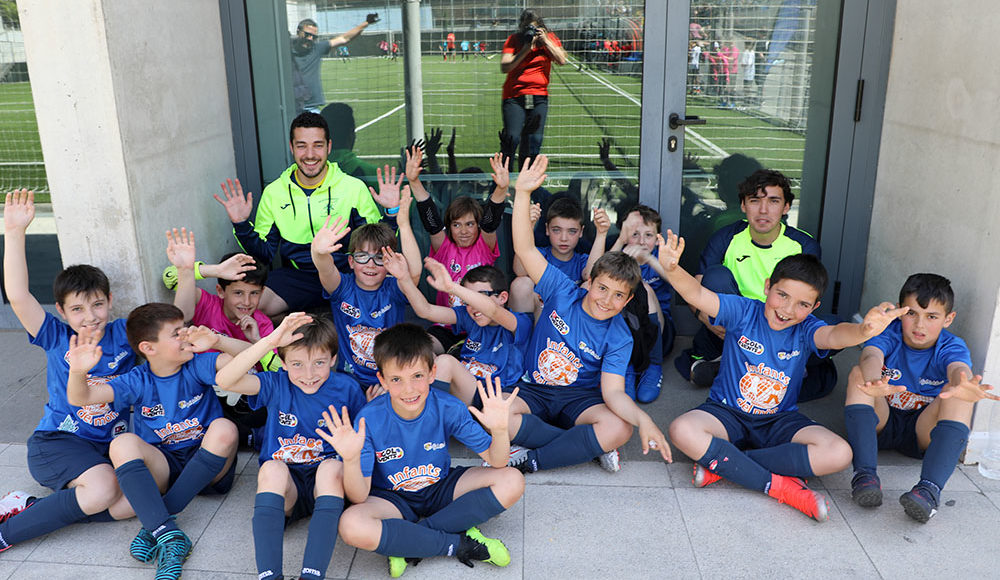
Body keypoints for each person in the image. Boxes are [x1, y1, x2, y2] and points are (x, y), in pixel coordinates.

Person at [660, 233, 906, 521]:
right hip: (725, 413)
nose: (788, 309)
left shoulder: (806, 328)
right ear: (768, 287)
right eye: (782, 295)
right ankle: (780, 487)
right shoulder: (744, 311)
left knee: (839, 453)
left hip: (778, 421)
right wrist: (673, 269)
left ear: (814, 308)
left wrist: (864, 331)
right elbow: (698, 295)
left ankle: (727, 466)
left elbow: (834, 335)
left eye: (802, 304)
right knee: (681, 430)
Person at [499, 155, 671, 474]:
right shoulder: (561, 290)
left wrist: (644, 419)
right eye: (602, 288)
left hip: (580, 399)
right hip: (536, 389)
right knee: (495, 415)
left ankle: (534, 460)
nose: (606, 300)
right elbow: (524, 249)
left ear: (628, 300)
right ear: (588, 282)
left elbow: (614, 393)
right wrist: (521, 194)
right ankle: (581, 446)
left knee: (620, 428)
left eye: (618, 295)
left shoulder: (620, 335)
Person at [320, 324, 525, 577]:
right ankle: (456, 543)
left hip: (439, 486)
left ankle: (409, 542)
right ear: (382, 380)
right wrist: (351, 459)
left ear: (432, 373)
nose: (408, 389)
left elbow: (498, 460)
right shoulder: (368, 419)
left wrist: (500, 430)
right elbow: (359, 496)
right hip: (392, 497)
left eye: (417, 376)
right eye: (396, 379)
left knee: (512, 480)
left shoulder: (448, 407)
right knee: (351, 525)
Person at [0, 189, 139, 553]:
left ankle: (31, 506)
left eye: (97, 305)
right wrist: (14, 233)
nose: (90, 316)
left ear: (110, 301)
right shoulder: (55, 335)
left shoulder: (125, 333)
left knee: (130, 504)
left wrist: (188, 272)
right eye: (77, 309)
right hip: (59, 442)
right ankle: (8, 531)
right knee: (104, 489)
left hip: (107, 446)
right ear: (62, 311)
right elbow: (18, 296)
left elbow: (171, 326)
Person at [65, 303, 244, 579]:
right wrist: (77, 372)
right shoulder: (138, 379)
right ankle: (170, 536)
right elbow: (82, 398)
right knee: (121, 443)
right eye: (176, 333)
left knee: (224, 428)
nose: (186, 336)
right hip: (165, 465)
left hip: (209, 464)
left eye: (184, 329)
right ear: (149, 348)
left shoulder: (198, 364)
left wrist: (217, 341)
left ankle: (156, 524)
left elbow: (249, 360)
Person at [214, 313, 367, 579]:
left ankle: (312, 575)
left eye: (319, 363)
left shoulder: (347, 388)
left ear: (333, 359)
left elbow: (361, 443)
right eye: (297, 364)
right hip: (287, 490)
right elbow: (225, 380)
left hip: (327, 487)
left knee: (331, 467)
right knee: (271, 468)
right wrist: (270, 341)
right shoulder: (276, 383)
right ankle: (270, 575)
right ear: (283, 363)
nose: (309, 374)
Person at [214, 112, 402, 315]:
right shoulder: (274, 193)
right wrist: (241, 224)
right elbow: (264, 254)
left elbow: (378, 244)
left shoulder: (353, 188)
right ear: (291, 147)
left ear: (329, 147)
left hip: (344, 274)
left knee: (379, 307)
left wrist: (391, 213)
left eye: (318, 145)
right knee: (251, 307)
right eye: (302, 145)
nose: (310, 154)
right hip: (297, 276)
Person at [844, 273, 997, 522]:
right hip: (881, 422)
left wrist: (964, 382)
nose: (919, 325)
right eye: (912, 314)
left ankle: (929, 490)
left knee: (959, 393)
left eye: (931, 317)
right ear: (899, 312)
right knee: (857, 374)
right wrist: (873, 382)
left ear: (948, 319)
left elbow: (958, 368)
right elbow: (871, 355)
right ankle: (864, 476)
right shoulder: (889, 333)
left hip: (922, 431)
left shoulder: (951, 345)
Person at [676, 169, 831, 401]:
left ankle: (729, 366)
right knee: (715, 276)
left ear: (786, 207)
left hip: (780, 327)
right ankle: (764, 369)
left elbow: (804, 299)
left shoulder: (803, 246)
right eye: (755, 200)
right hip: (736, 326)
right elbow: (697, 288)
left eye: (774, 201)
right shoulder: (725, 237)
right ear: (743, 205)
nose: (763, 210)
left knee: (832, 326)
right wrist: (707, 322)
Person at [162, 228, 275, 447]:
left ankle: (245, 435)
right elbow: (170, 280)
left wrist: (257, 341)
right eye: (238, 293)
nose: (246, 302)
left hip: (239, 396)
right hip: (202, 387)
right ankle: (246, 436)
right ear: (221, 291)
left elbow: (275, 370)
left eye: (254, 293)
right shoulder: (206, 302)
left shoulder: (262, 324)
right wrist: (213, 270)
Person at [387, 251, 533, 405]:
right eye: (468, 300)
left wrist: (452, 287)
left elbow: (493, 310)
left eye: (480, 297)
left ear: (502, 297)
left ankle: (429, 415)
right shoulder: (470, 317)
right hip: (463, 384)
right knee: (419, 351)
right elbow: (426, 311)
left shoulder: (519, 322)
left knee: (446, 362)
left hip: (490, 394)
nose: (474, 306)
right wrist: (404, 279)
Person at [310, 190, 422, 389]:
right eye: (362, 256)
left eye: (379, 258)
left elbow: (414, 273)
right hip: (349, 380)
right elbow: (325, 268)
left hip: (390, 379)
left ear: (389, 263)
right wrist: (318, 252)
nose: (370, 264)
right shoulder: (342, 287)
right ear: (351, 261)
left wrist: (403, 225)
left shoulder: (394, 287)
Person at [405, 146, 508, 352]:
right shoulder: (444, 247)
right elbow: (431, 221)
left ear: (477, 226)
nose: (464, 231)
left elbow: (490, 221)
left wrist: (501, 189)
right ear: (449, 227)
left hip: (483, 322)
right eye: (456, 225)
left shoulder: (484, 245)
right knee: (424, 352)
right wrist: (414, 181)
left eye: (470, 224)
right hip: (448, 323)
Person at [608, 205, 676, 403]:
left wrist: (650, 260)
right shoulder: (619, 256)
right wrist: (622, 258)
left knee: (643, 289)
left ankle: (653, 366)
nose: (641, 241)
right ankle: (627, 367)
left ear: (657, 239)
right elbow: (597, 277)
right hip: (625, 336)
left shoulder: (661, 257)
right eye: (635, 234)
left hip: (658, 334)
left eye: (648, 235)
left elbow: (679, 285)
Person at [501, 9, 568, 160]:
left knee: (534, 141)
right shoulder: (514, 39)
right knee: (512, 139)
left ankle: (527, 174)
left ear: (540, 26)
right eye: (526, 27)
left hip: (539, 96)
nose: (529, 31)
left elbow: (562, 60)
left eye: (533, 27)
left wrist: (546, 41)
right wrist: (525, 49)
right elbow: (505, 67)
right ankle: (505, 173)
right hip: (514, 96)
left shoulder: (549, 38)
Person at [292, 14, 378, 113]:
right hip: (291, 107)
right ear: (298, 32)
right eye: (307, 34)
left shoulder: (317, 48)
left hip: (312, 108)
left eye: (314, 36)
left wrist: (366, 23)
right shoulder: (285, 50)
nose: (310, 38)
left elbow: (344, 38)